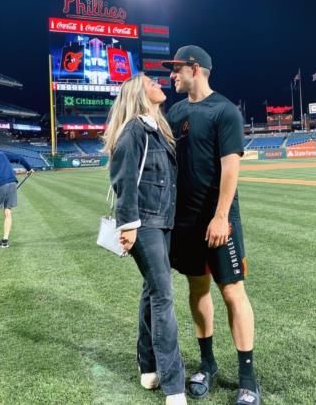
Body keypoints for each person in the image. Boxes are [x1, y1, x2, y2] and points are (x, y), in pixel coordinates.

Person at [162, 46, 261, 405]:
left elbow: (231, 168)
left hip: (219, 219)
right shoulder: (175, 111)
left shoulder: (224, 110)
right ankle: (208, 364)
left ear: (196, 68)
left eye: (176, 69)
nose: (172, 75)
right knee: (197, 289)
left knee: (233, 292)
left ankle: (248, 378)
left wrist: (221, 217)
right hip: (185, 220)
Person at [103, 73, 187, 405]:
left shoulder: (158, 129)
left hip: (162, 222)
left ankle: (148, 366)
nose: (158, 85)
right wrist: (129, 226)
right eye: (151, 82)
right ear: (140, 93)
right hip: (145, 225)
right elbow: (122, 178)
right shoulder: (134, 130)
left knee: (151, 291)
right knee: (164, 296)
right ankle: (174, 385)